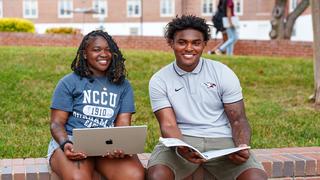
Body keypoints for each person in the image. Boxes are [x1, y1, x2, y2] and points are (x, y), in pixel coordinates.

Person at [147, 15, 267, 180]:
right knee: (156, 176)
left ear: (204, 44)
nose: (189, 48)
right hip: (181, 140)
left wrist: (241, 145)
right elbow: (168, 124)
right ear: (171, 43)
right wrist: (183, 148)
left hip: (222, 141)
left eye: (196, 43)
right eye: (182, 42)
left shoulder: (222, 72)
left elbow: (238, 119)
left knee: (256, 177)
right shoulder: (159, 79)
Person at [47, 30, 145, 180]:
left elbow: (123, 124)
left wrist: (120, 145)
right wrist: (65, 143)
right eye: (96, 49)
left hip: (107, 142)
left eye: (108, 50)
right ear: (85, 54)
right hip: (73, 141)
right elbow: (56, 123)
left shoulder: (123, 85)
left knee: (134, 175)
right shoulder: (69, 82)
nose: (104, 54)